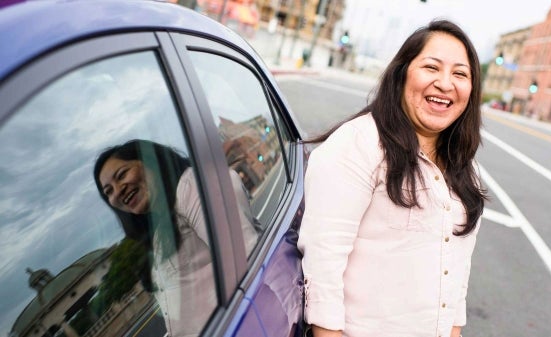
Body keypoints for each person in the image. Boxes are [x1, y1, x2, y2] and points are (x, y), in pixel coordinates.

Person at [297, 20, 487, 337]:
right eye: (431, 67)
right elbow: (323, 263)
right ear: (402, 74)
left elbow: (456, 275)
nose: (445, 83)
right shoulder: (357, 144)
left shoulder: (465, 169)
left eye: (460, 74)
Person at [93, 139, 257, 337]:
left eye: (122, 175)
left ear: (151, 161)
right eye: (108, 191)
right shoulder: (159, 230)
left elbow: (252, 265)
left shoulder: (192, 189)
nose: (118, 191)